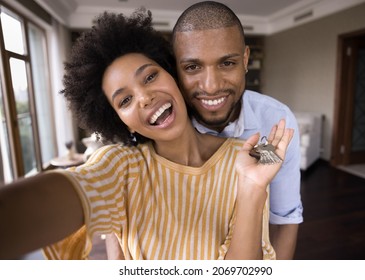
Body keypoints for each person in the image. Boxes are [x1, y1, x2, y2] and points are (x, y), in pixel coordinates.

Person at [0, 10, 293, 260]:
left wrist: (252, 187)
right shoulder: (120, 168)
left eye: (150, 77)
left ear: (172, 76)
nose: (144, 98)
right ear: (121, 122)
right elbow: (52, 198)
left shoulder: (246, 158)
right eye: (124, 100)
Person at [171, 1, 303, 259]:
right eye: (192, 67)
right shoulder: (164, 125)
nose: (211, 86)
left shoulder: (273, 124)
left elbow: (284, 217)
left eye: (227, 63)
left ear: (245, 59)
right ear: (175, 69)